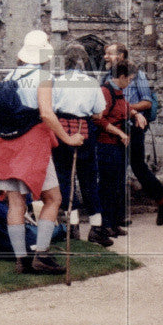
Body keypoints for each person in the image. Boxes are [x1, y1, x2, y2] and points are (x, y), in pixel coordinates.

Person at [0, 30, 84, 275]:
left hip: (7, 143)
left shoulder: (10, 75)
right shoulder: (43, 77)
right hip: (32, 143)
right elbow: (47, 114)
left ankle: (21, 260)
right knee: (53, 199)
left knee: (15, 204)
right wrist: (68, 138)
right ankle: (42, 255)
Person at [103, 43, 163, 226]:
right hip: (114, 128)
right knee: (118, 168)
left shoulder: (138, 76)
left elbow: (147, 103)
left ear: (120, 56)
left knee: (137, 166)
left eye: (109, 54)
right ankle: (120, 214)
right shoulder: (106, 76)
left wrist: (125, 110)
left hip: (132, 127)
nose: (105, 57)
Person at [52, 53, 108, 244]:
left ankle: (73, 225)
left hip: (61, 129)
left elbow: (49, 110)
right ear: (83, 62)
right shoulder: (92, 82)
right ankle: (96, 227)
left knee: (65, 178)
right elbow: (99, 112)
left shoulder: (56, 82)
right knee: (89, 179)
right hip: (84, 129)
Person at [93, 61, 146, 243]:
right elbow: (98, 119)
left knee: (117, 184)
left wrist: (136, 114)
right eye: (129, 79)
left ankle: (114, 222)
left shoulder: (118, 92)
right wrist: (119, 132)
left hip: (117, 144)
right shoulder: (105, 92)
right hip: (107, 144)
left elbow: (124, 108)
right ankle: (105, 223)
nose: (130, 83)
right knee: (107, 185)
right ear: (122, 77)